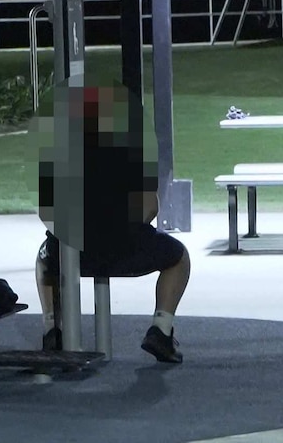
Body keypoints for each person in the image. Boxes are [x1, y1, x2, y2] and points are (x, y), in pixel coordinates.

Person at [33, 80, 191, 363]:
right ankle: (161, 329)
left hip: (72, 253)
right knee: (179, 258)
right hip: (127, 249)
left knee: (44, 258)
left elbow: (48, 213)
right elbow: (149, 208)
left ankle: (52, 328)